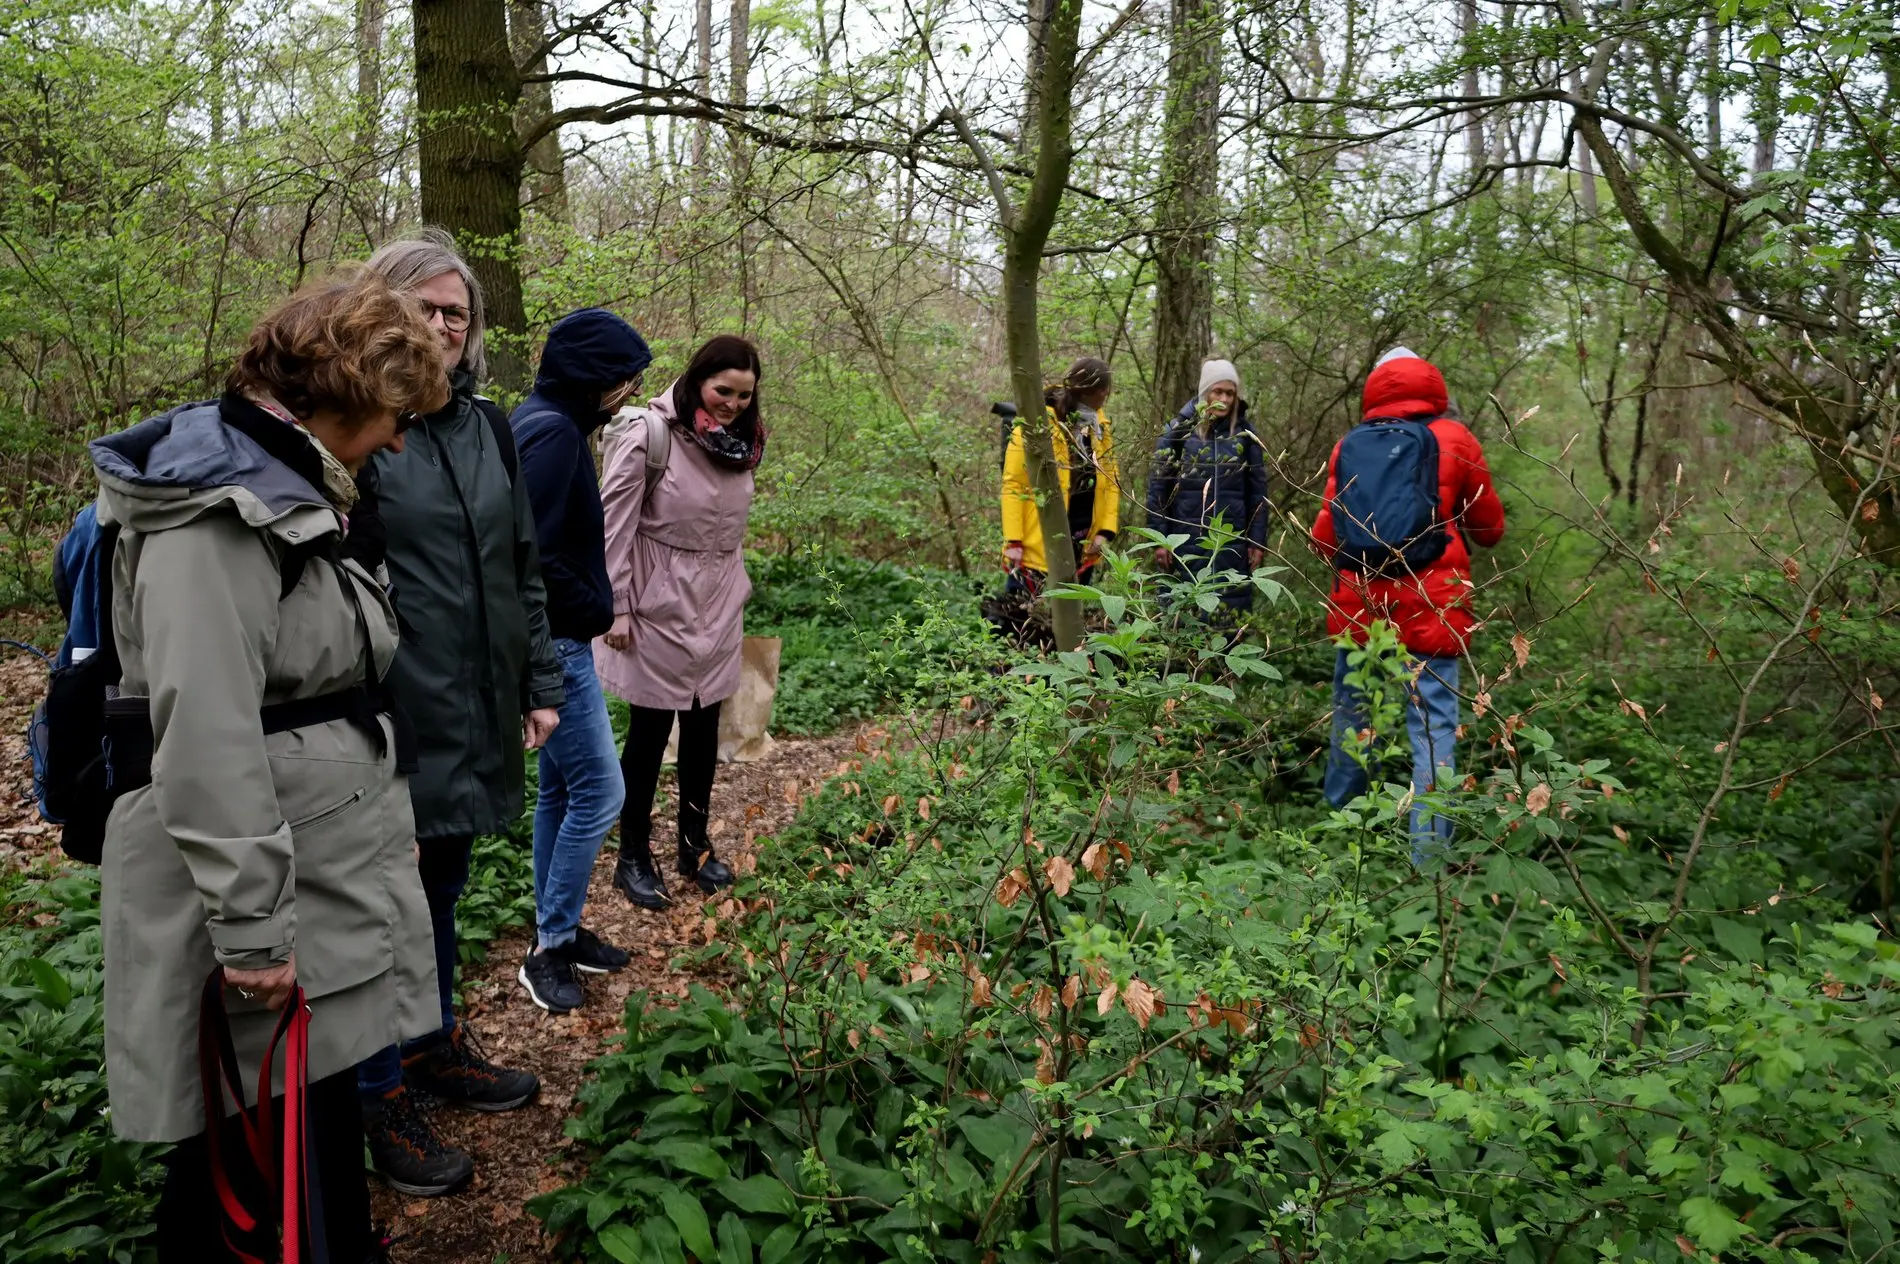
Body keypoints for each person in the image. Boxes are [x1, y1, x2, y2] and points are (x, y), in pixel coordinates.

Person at [92, 269, 446, 1262]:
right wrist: (251, 928)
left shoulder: (287, 487)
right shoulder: (218, 513)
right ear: (340, 393)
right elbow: (205, 732)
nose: (401, 438)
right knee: (239, 1159)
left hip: (317, 867)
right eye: (394, 412)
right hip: (262, 892)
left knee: (304, 1117)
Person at [355, 229, 563, 1196]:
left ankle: (432, 1040)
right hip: (387, 712)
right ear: (383, 311)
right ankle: (376, 1089)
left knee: (439, 882)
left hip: (474, 702)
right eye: (425, 309)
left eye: (458, 313)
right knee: (375, 903)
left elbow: (520, 565)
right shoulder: (353, 429)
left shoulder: (485, 428)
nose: (444, 328)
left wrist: (540, 684)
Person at [1311, 346, 1506, 861]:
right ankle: (1428, 859)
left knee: (1354, 717)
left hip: (1362, 607)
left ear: (1376, 386)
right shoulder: (1457, 439)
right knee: (1433, 727)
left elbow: (1323, 537)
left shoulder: (1350, 444)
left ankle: (1343, 836)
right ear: (1431, 384)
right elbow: (1490, 530)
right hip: (1434, 607)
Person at [511, 309, 652, 1013]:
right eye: (625, 380)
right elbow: (525, 549)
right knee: (602, 791)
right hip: (557, 643)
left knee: (562, 793)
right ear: (597, 380)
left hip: (557, 638)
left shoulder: (544, 422)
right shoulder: (556, 435)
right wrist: (593, 606)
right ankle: (550, 950)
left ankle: (556, 928)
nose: (628, 392)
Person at [597, 335, 764, 908]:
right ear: (698, 380)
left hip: (718, 607)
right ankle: (633, 856)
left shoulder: (742, 444)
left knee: (701, 733)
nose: (733, 404)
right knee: (648, 735)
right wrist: (614, 605)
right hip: (655, 605)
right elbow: (613, 525)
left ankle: (694, 846)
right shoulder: (650, 434)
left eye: (745, 394)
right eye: (724, 390)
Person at [1145, 358, 1270, 617]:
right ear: (1205, 392)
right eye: (1218, 391)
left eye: (1230, 393)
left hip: (1231, 544)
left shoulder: (1246, 436)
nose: (1224, 399)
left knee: (1228, 617)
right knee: (1183, 616)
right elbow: (1159, 487)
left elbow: (1258, 493)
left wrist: (1256, 541)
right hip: (1185, 542)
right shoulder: (1179, 431)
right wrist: (1160, 539)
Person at [999, 356, 1122, 595]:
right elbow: (1014, 483)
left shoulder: (1100, 427)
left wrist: (1104, 532)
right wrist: (1013, 540)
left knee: (1071, 621)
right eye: (1104, 392)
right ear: (1090, 391)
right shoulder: (1037, 425)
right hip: (1037, 547)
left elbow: (1111, 482)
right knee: (1023, 619)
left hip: (1083, 546)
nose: (1105, 397)